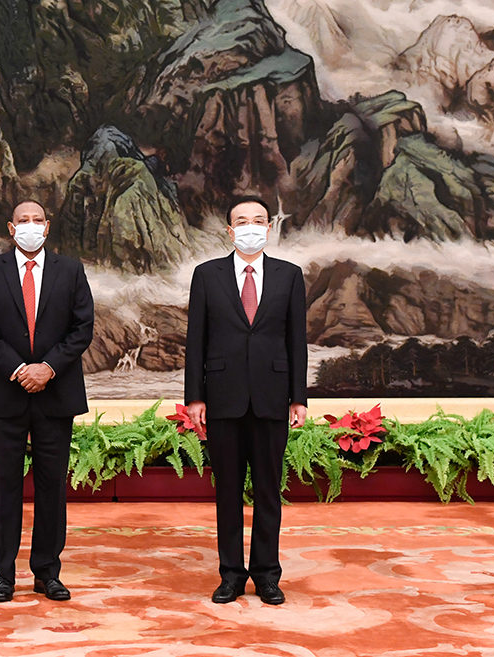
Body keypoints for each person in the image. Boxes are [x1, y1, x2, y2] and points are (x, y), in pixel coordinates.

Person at [0, 200, 94, 603]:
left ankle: (47, 572)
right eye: (23, 220)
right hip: (3, 393)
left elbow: (82, 327)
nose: (30, 225)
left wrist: (48, 368)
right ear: (11, 228)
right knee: (3, 486)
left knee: (51, 487)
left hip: (55, 393)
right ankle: (3, 574)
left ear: (47, 226)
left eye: (37, 220)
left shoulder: (70, 271)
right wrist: (20, 368)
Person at [184, 195, 307, 605]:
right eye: (242, 221)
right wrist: (195, 397)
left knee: (269, 491)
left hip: (272, 398)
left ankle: (267, 575)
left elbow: (297, 341)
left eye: (258, 220)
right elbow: (196, 341)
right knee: (228, 493)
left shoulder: (290, 275)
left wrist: (298, 397)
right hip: (223, 398)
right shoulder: (207, 275)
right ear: (229, 230)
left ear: (268, 228)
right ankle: (231, 576)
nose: (250, 227)